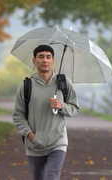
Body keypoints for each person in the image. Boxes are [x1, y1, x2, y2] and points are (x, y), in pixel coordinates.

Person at [12, 45, 80, 180]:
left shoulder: (64, 83)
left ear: (53, 61)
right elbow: (18, 116)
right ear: (34, 60)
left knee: (52, 176)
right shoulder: (26, 86)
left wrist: (62, 106)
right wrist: (30, 135)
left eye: (48, 57)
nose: (45, 60)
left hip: (58, 141)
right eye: (41, 57)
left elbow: (75, 109)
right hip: (34, 143)